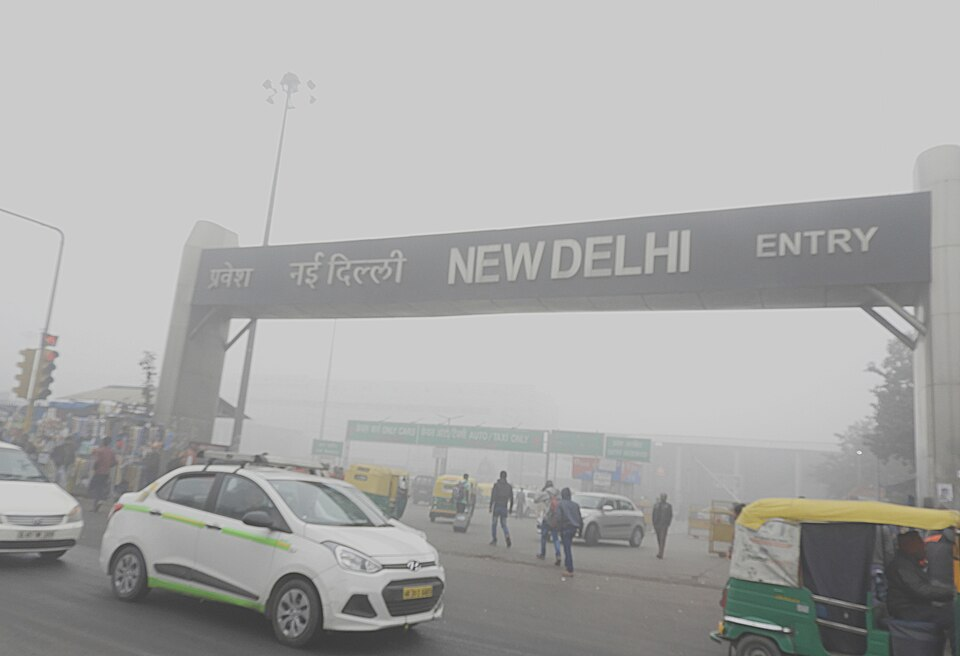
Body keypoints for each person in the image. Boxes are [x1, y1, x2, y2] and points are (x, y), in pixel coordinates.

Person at [886, 530, 954, 649]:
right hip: (907, 610)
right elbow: (920, 589)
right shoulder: (901, 566)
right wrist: (951, 593)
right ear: (909, 546)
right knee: (953, 617)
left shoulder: (909, 563)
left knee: (950, 612)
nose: (924, 547)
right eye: (920, 544)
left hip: (915, 607)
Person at [535, 480, 562, 566]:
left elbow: (536, 499)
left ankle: (543, 554)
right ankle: (558, 555)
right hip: (556, 518)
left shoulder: (546, 493)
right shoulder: (558, 493)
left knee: (544, 536)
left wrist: (542, 490)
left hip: (547, 518)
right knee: (555, 538)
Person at [558, 487, 583, 576]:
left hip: (565, 528)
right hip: (574, 528)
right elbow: (579, 518)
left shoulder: (560, 504)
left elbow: (559, 517)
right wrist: (580, 530)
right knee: (568, 547)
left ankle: (570, 569)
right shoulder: (575, 505)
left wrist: (558, 528)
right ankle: (567, 565)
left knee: (567, 548)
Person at [90, 437, 117, 512]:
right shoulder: (111, 452)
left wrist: (95, 468)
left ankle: (96, 504)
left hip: (99, 472)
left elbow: (97, 461)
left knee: (95, 488)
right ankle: (100, 501)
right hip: (106, 473)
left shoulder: (100, 451)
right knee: (102, 488)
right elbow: (115, 462)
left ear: (103, 442)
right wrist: (108, 465)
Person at [489, 471, 513, 547]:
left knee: (494, 524)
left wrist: (490, 507)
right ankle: (507, 536)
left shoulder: (496, 485)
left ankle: (494, 539)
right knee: (504, 524)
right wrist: (510, 508)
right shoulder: (509, 486)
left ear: (500, 476)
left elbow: (493, 496)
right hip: (504, 507)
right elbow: (512, 499)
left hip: (497, 506)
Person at [652, 493, 674, 559]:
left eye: (664, 497)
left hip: (664, 525)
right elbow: (653, 514)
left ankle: (661, 553)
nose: (663, 498)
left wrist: (668, 523)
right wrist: (654, 523)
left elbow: (670, 515)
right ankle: (660, 550)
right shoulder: (656, 505)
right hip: (657, 524)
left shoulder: (668, 506)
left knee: (662, 539)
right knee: (658, 538)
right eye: (662, 497)